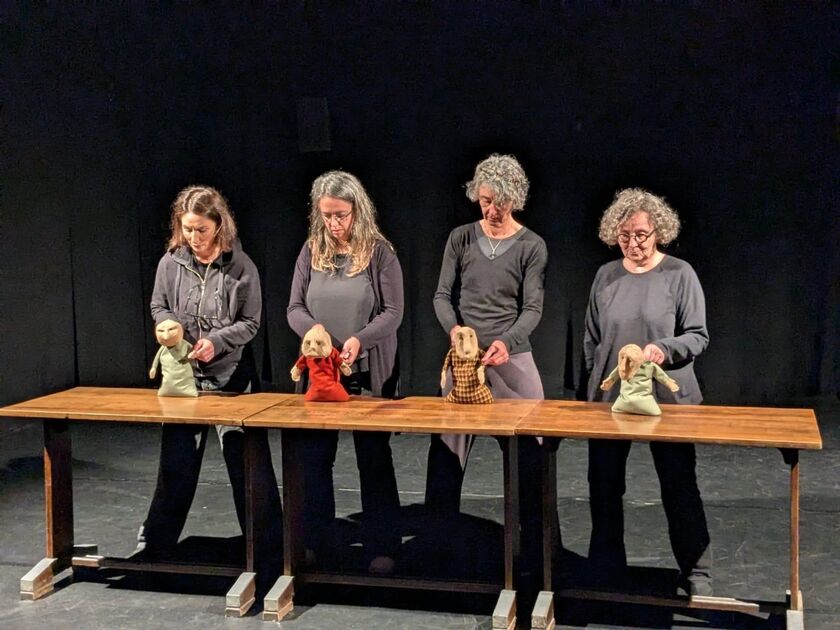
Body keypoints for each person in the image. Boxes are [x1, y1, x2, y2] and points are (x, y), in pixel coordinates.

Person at [138, 185, 283, 574]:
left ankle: (269, 547)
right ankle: (156, 543)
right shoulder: (171, 263)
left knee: (247, 465)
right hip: (184, 379)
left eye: (201, 229)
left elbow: (250, 322)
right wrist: (169, 327)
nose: (194, 237)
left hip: (231, 379)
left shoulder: (241, 267)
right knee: (176, 461)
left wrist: (216, 342)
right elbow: (158, 305)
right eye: (187, 229)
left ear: (219, 225)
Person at [427, 153, 559, 577]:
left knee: (532, 456)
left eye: (499, 202)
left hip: (510, 358)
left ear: (514, 199)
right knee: (445, 456)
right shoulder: (461, 238)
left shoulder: (531, 245)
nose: (491, 210)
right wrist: (454, 331)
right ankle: (436, 551)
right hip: (465, 361)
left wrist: (507, 341)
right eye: (484, 201)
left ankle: (539, 557)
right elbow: (442, 295)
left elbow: (532, 308)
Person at [583, 187, 712, 596]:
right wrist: (597, 382)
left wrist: (665, 348)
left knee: (678, 485)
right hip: (611, 402)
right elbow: (592, 339)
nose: (633, 243)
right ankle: (606, 569)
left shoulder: (679, 274)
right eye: (624, 236)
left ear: (659, 231)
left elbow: (698, 335)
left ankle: (697, 573)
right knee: (604, 486)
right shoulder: (606, 276)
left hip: (668, 400)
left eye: (641, 234)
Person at [287, 170, 403, 575]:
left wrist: (359, 340)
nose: (334, 224)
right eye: (327, 215)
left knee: (373, 458)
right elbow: (294, 308)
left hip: (364, 370)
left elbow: (393, 312)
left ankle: (383, 545)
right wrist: (313, 329)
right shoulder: (311, 250)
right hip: (321, 371)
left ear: (358, 210)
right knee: (315, 459)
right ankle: (316, 542)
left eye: (341, 215)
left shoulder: (379, 253)